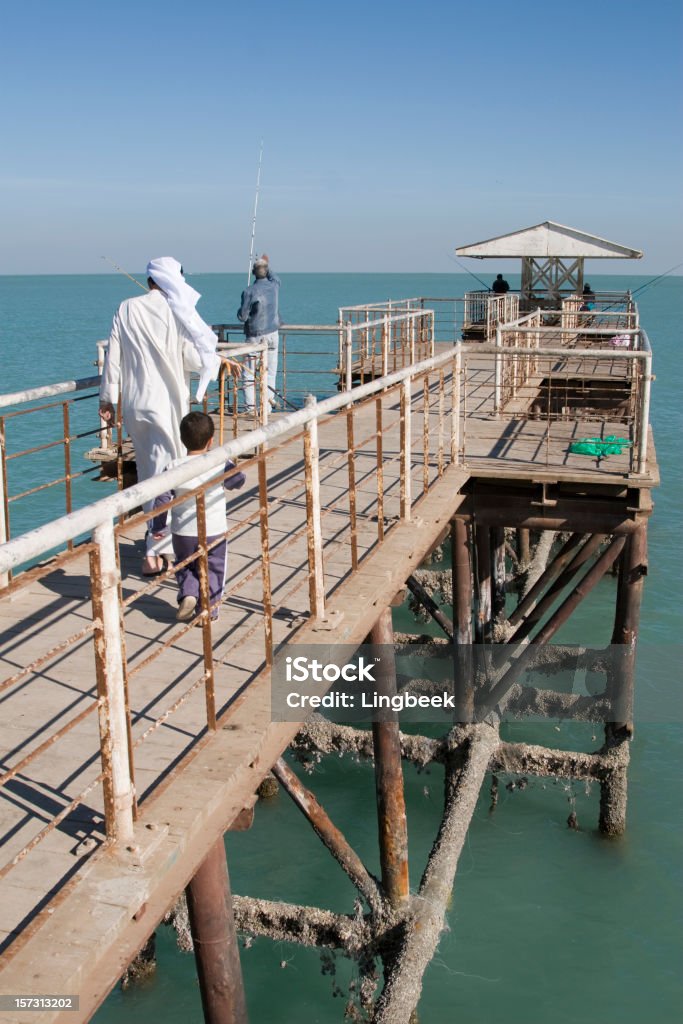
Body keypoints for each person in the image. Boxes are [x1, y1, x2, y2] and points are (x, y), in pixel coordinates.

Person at [98, 258, 237, 576]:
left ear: (149, 281)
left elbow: (114, 359)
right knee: (166, 479)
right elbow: (191, 356)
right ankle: (155, 551)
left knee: (149, 476)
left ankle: (157, 547)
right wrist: (214, 360)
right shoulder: (178, 310)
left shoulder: (126, 308)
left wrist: (108, 398)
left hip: (136, 406)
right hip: (168, 407)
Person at [159, 411, 246, 623]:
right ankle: (208, 611)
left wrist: (157, 527)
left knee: (186, 565)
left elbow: (161, 500)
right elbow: (238, 480)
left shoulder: (172, 467)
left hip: (183, 532)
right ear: (211, 440)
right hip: (213, 530)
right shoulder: (218, 462)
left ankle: (189, 593)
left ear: (182, 440)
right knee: (214, 568)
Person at [237, 253, 282, 413]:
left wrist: (239, 311)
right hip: (273, 334)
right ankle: (267, 408)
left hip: (255, 336)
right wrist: (266, 264)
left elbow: (242, 317)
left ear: (253, 272)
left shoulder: (249, 291)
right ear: (266, 271)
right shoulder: (274, 286)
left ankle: (250, 408)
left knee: (249, 373)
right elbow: (276, 277)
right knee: (270, 373)